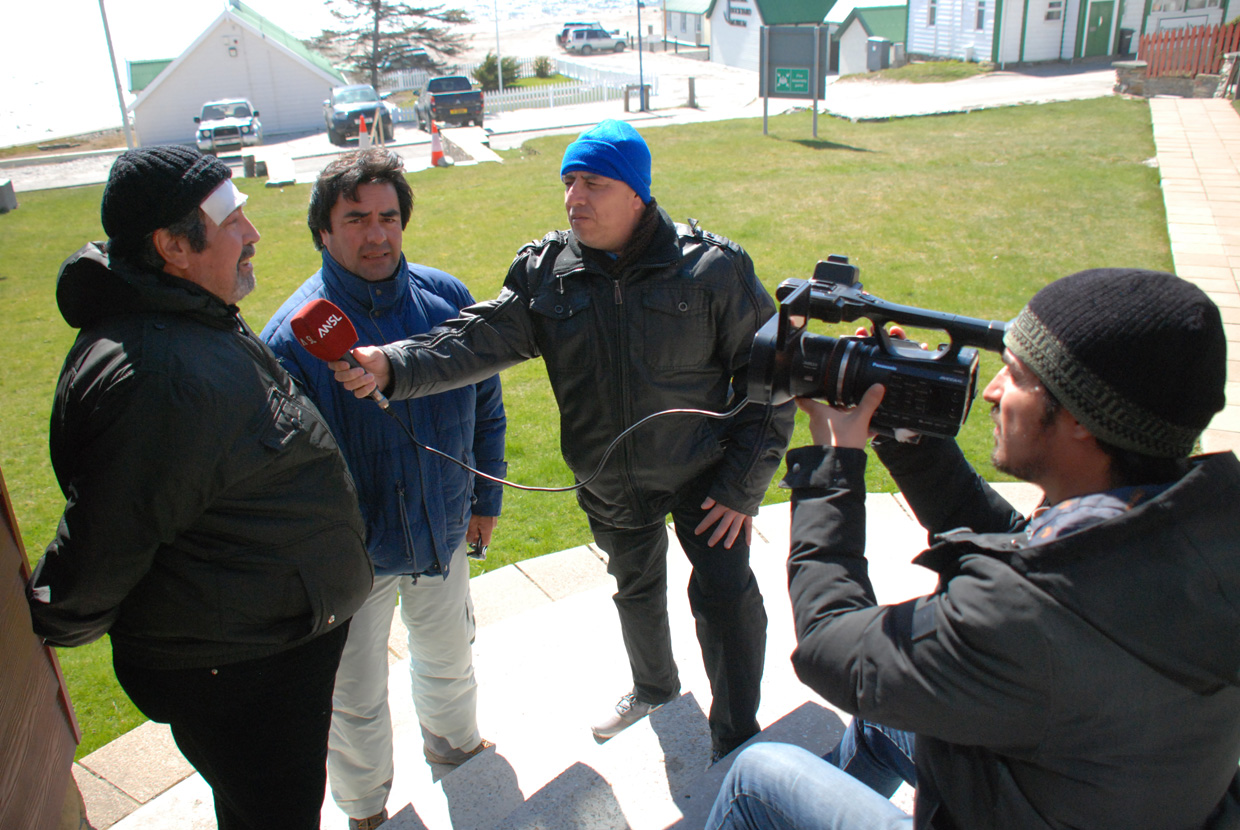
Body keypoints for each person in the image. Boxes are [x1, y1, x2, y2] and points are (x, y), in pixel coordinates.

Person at [707, 267, 1240, 829]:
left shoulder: (1026, 618)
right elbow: (1024, 546)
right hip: (1107, 787)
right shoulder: (1193, 526)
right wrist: (906, 434)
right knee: (887, 717)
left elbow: (832, 648)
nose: (990, 391)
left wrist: (832, 467)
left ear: (1081, 419)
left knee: (759, 777)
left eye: (1015, 375)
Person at [332, 120, 795, 761]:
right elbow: (476, 338)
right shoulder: (546, 271)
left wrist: (744, 486)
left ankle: (737, 734)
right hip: (608, 477)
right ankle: (655, 688)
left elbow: (770, 380)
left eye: (593, 183)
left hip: (706, 474)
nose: (575, 198)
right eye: (568, 182)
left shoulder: (712, 269)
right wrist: (392, 364)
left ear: (636, 193)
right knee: (634, 588)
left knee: (725, 598)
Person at [25, 146, 374, 830]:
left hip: (260, 649)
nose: (252, 234)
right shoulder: (161, 377)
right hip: (243, 671)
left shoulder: (184, 314)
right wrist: (48, 619)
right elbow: (107, 541)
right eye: (230, 219)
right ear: (171, 246)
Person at [262, 148, 506, 830]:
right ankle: (366, 810)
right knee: (354, 695)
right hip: (351, 561)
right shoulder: (289, 340)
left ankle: (457, 751)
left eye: (388, 217)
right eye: (356, 219)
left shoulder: (448, 299)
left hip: (443, 528)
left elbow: (486, 402)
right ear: (323, 231)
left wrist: (484, 498)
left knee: (449, 653)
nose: (376, 235)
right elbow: (281, 477)